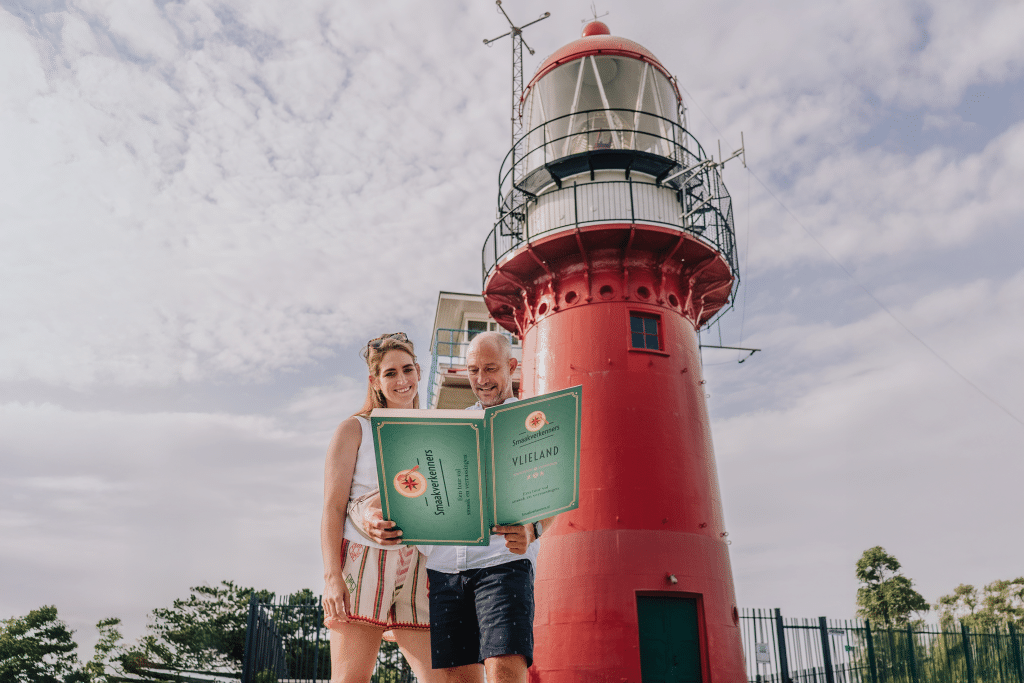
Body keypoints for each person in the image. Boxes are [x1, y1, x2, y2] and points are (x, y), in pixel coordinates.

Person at [425, 331, 553, 683]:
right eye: (473, 370)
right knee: (456, 678)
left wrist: (533, 530)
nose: (481, 379)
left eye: (490, 368)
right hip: (446, 568)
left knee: (504, 672)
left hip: (504, 564)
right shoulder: (452, 423)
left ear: (512, 367)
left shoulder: (536, 421)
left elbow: (558, 491)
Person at [320, 333, 442, 683]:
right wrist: (332, 578)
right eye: (390, 373)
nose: (401, 380)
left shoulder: (437, 428)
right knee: (350, 679)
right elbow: (332, 508)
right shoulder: (354, 428)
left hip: (421, 560)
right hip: (364, 558)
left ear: (419, 371)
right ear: (375, 380)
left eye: (407, 369)